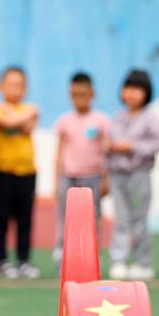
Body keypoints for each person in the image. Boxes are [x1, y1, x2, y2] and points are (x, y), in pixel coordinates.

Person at [106, 69, 159, 280]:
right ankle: (119, 260)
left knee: (139, 220)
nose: (131, 94)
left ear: (146, 93)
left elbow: (157, 143)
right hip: (117, 175)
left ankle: (143, 262)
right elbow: (109, 144)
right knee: (121, 219)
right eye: (128, 88)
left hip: (139, 174)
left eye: (137, 89)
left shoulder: (150, 118)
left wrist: (131, 146)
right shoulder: (117, 117)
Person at [53, 72, 110, 273]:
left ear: (92, 94)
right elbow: (59, 152)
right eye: (75, 94)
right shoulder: (65, 120)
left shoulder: (100, 120)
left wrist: (106, 179)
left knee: (93, 219)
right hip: (69, 177)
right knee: (65, 217)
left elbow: (105, 152)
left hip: (93, 177)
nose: (79, 98)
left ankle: (93, 257)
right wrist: (57, 180)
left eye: (83, 94)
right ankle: (61, 256)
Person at [0, 67, 40, 279]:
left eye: (20, 85)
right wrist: (22, 116)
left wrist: (21, 116)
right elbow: (10, 122)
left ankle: (24, 260)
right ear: (0, 87)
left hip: (27, 171)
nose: (15, 89)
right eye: (10, 84)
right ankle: (2, 261)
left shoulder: (28, 108)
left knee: (25, 219)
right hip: (3, 170)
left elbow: (28, 126)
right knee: (2, 218)